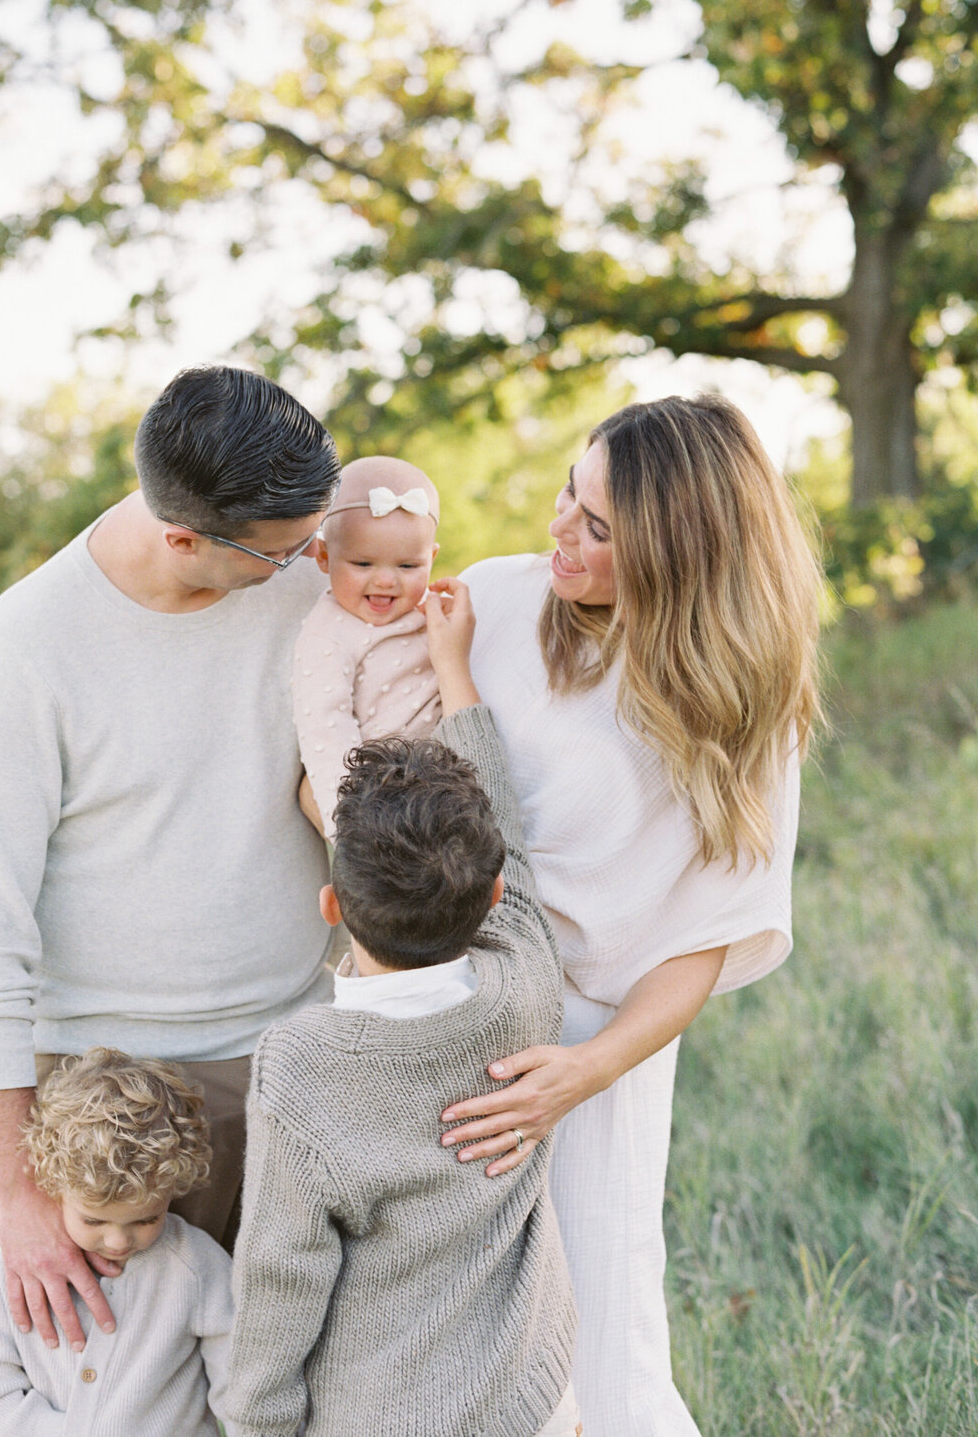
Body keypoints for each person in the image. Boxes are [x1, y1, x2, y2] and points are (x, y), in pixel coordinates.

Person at [0, 366, 340, 1352]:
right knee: (129, 1392)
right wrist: (23, 1197)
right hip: (110, 1097)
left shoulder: (303, 583)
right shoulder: (27, 646)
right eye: (284, 552)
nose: (313, 562)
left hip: (288, 1060)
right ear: (186, 538)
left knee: (290, 1382)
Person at [438, 395, 821, 1437]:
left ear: (678, 554)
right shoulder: (489, 603)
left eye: (600, 528)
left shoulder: (743, 699)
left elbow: (705, 934)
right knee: (448, 1341)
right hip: (447, 1016)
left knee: (603, 1342)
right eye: (571, 489)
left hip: (600, 1047)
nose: (562, 527)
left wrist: (585, 1070)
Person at [226, 582, 580, 1437]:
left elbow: (280, 1276)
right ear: (493, 893)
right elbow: (511, 841)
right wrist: (452, 668)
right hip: (530, 1402)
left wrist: (255, 1424)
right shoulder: (526, 985)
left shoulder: (302, 1064)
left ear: (331, 905)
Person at [0, 1048, 236, 1436]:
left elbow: (242, 1390)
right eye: (93, 1220)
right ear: (52, 1187)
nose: (118, 1240)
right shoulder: (17, 1270)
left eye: (146, 1218)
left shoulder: (198, 1267)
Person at [294, 454, 442, 838]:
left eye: (408, 567)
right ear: (324, 556)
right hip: (375, 805)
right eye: (363, 564)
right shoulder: (329, 632)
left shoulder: (431, 612)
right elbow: (325, 729)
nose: (386, 581)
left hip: (440, 792)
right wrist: (351, 828)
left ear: (432, 559)